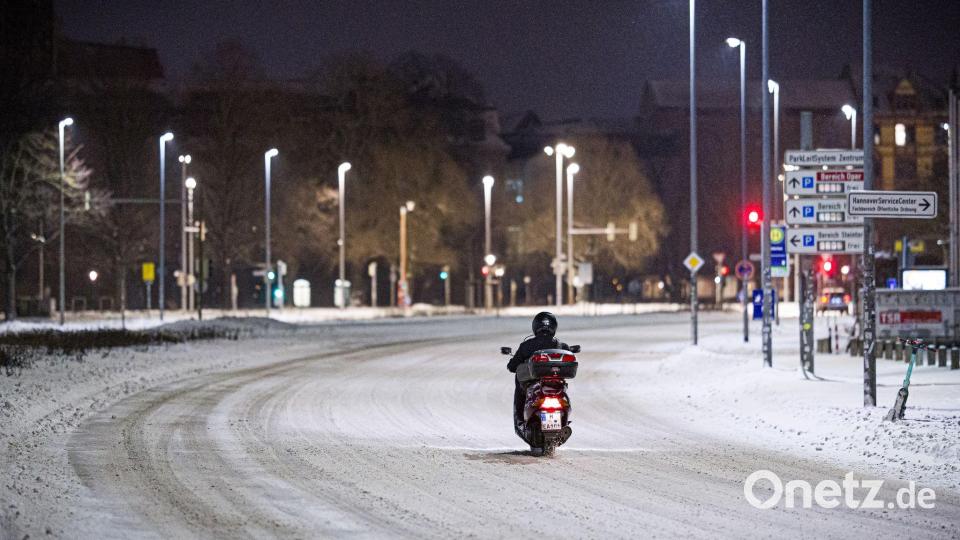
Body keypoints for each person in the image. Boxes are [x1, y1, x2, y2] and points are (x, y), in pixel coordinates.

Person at [506, 311, 568, 440]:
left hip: (535, 386)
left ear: (535, 326)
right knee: (563, 389)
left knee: (519, 384)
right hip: (554, 387)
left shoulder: (526, 345)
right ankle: (563, 420)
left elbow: (512, 366)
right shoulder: (561, 346)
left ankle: (520, 419)